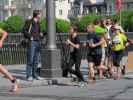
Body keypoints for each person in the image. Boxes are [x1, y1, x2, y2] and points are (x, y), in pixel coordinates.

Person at [22, 10, 44, 81]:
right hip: (31, 42)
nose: (41, 15)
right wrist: (30, 37)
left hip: (38, 42)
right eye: (40, 14)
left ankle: (35, 75)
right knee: (30, 60)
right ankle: (29, 76)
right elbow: (24, 30)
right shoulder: (29, 22)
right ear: (37, 15)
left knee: (36, 60)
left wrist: (41, 34)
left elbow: (38, 32)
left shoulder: (38, 23)